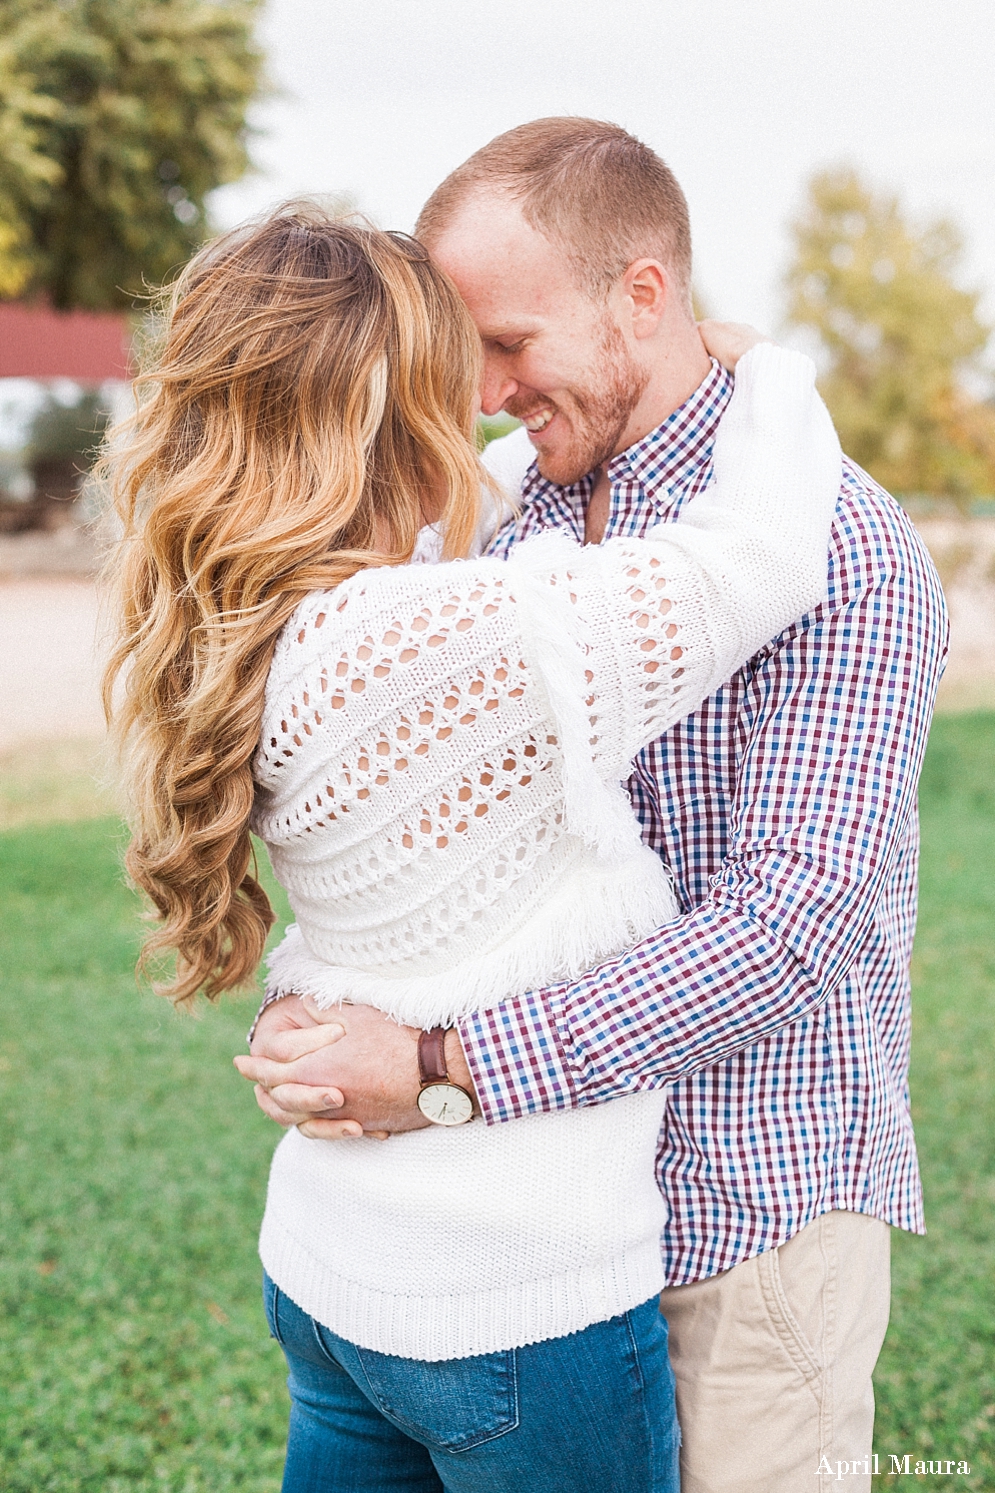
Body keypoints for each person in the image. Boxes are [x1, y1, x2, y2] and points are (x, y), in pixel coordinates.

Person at [244, 121, 949, 1493]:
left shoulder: (842, 549)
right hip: (532, 1236)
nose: (490, 391)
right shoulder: (510, 518)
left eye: (509, 344)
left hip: (740, 1212)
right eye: (465, 357)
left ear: (643, 294)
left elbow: (789, 924)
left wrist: (440, 1066)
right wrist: (324, 986)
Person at [103, 201, 840, 1493]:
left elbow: (460, 499)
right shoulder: (451, 635)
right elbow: (759, 558)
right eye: (457, 385)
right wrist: (765, 366)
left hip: (336, 1275)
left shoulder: (250, 621)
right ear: (393, 422)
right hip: (514, 1302)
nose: (486, 406)